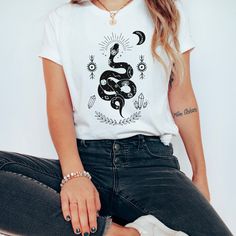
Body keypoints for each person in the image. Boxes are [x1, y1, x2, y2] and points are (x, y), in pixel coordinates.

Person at [0, 0, 233, 235]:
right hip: (87, 162)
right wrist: (74, 175)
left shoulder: (167, 12)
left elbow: (182, 97)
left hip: (152, 166)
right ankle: (116, 233)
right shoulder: (61, 20)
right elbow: (59, 104)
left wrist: (200, 174)